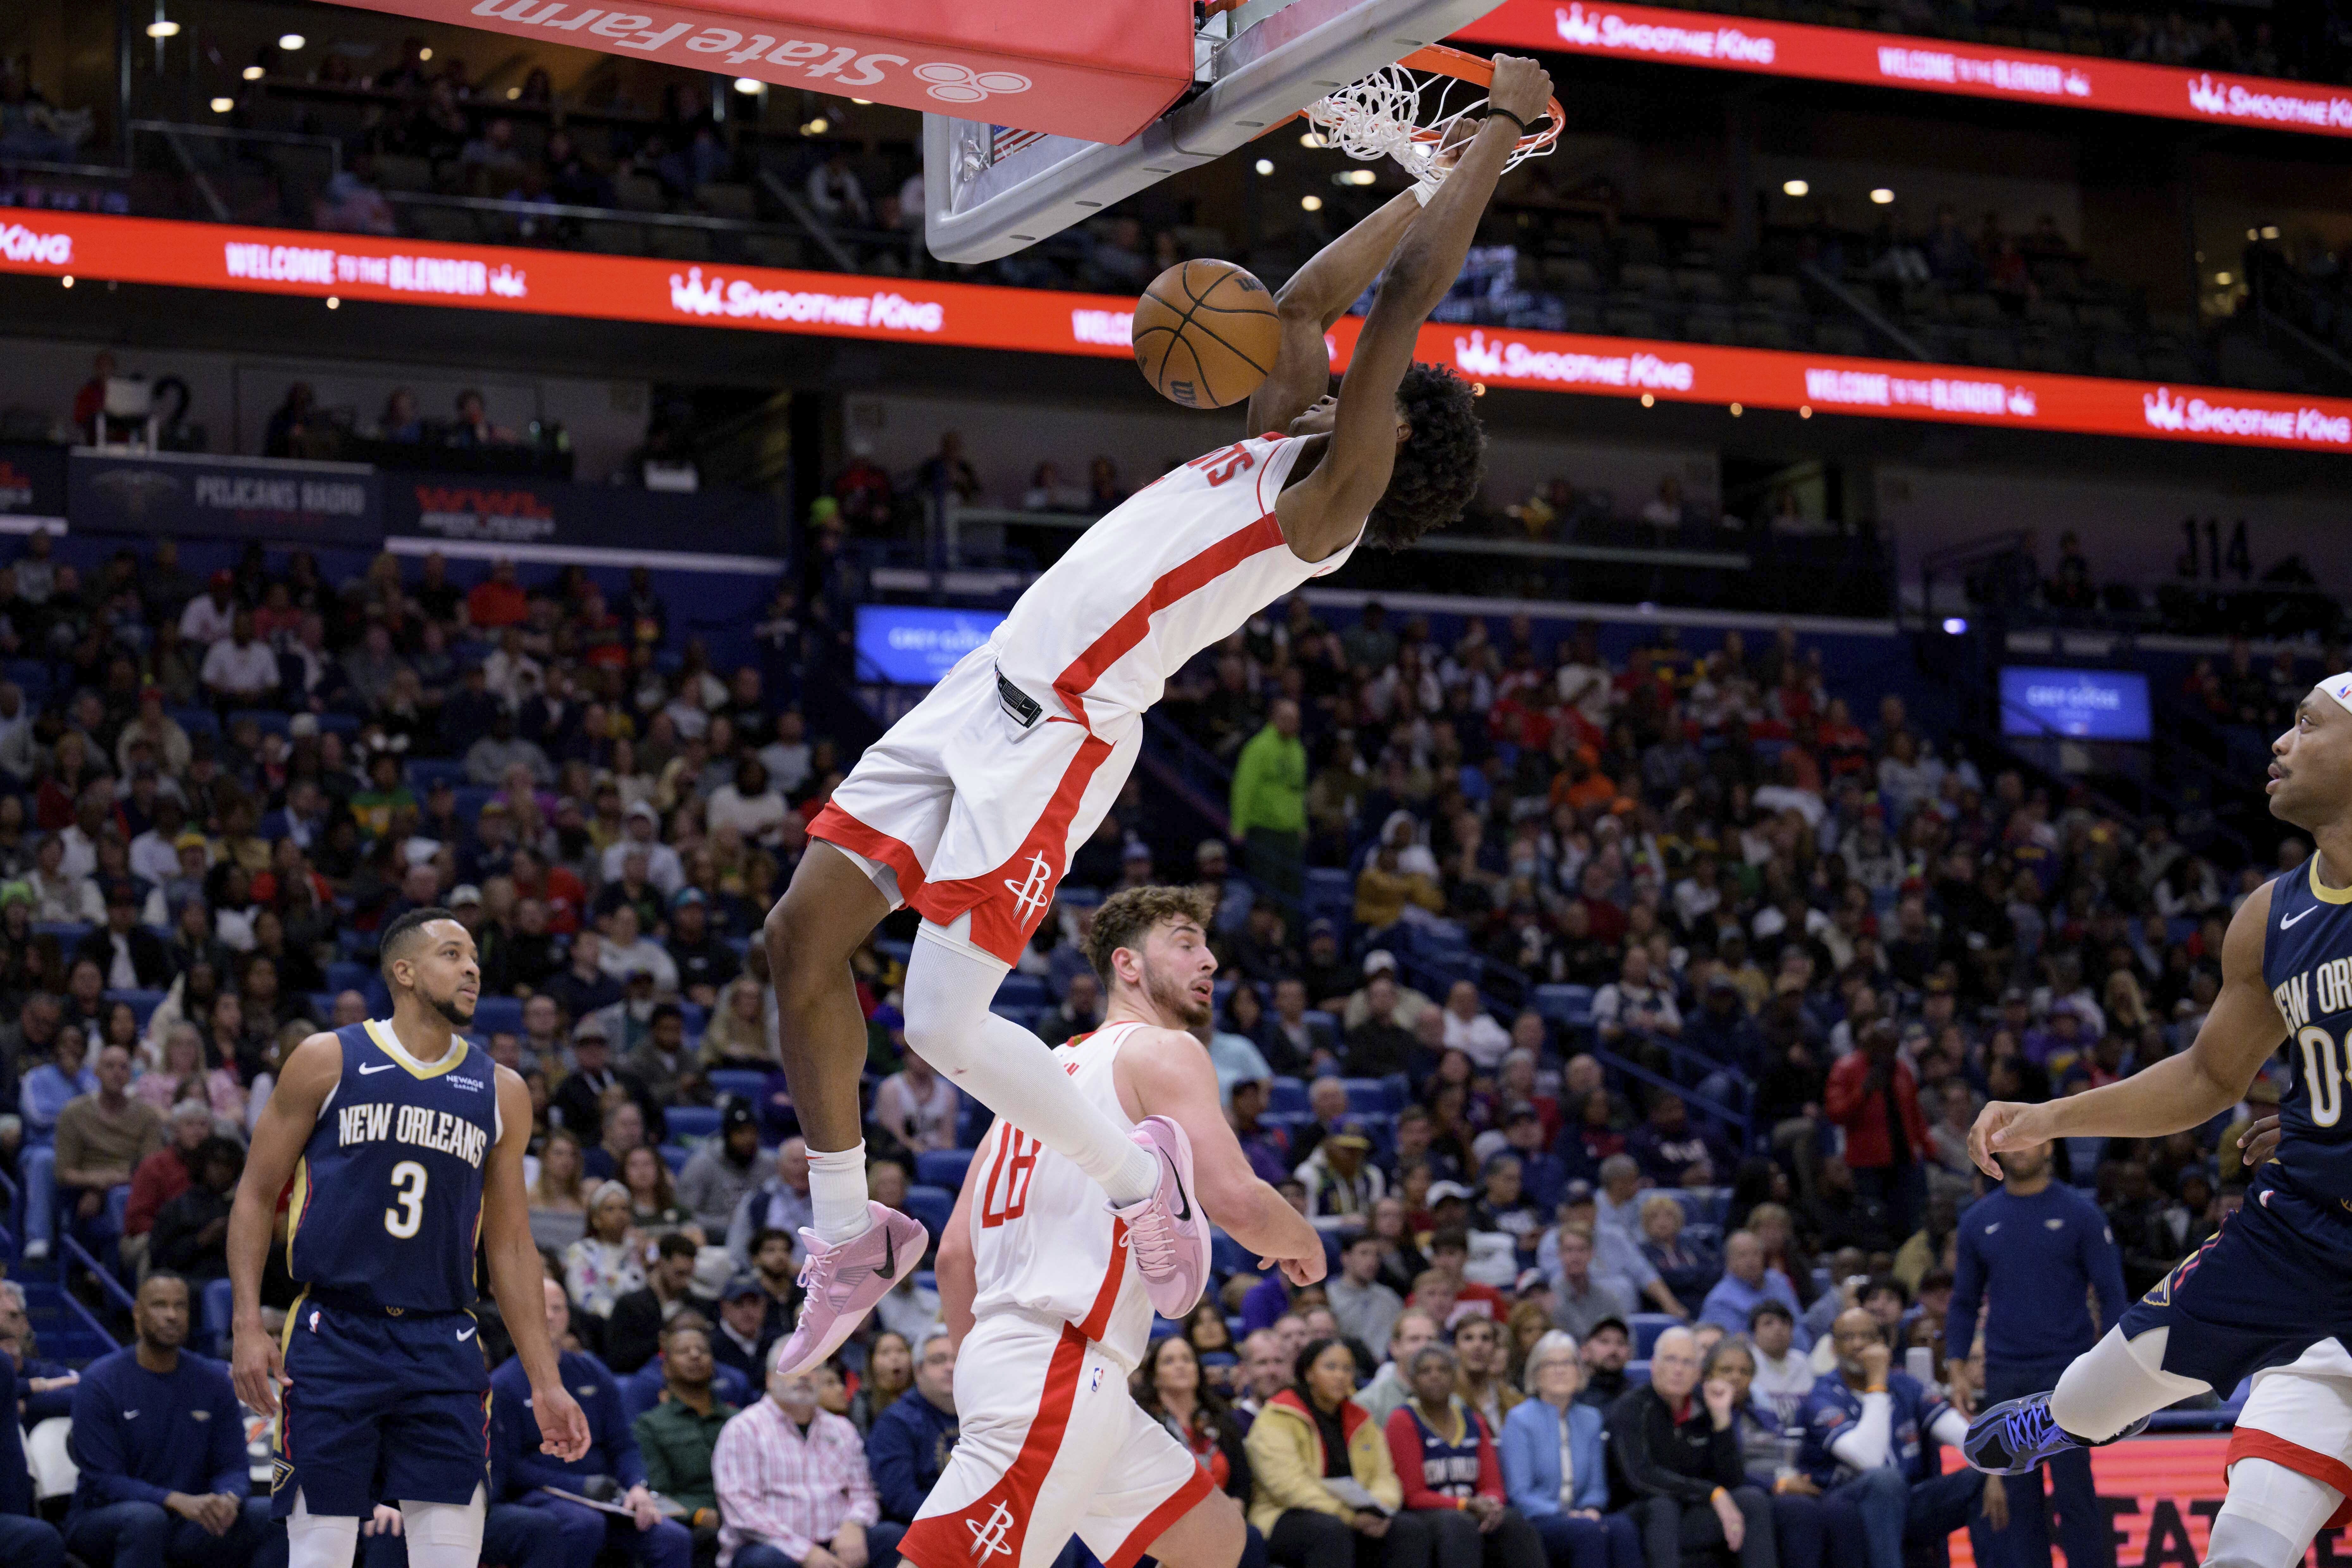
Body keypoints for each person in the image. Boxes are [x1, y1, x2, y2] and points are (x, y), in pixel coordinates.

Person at [760, 52, 1556, 1370]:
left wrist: (1500, 134)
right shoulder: (1280, 427)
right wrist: (1422, 176)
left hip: (1063, 730)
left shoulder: (1328, 501)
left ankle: (1143, 1189)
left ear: (1391, 439)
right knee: (796, 942)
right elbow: (1302, 303)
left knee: (942, 1024)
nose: (1331, 384)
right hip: (978, 689)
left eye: (1363, 396)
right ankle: (850, 1232)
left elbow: (1408, 299)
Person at [1961, 674, 2352, 1564]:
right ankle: (2065, 1420)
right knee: (2094, 1400)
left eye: (2305, 723)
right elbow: (2210, 1075)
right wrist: (2050, 1117)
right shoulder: (2272, 915)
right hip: (2296, 1238)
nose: (2279, 744)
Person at [905, 884, 1327, 1568]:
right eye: (1186, 943)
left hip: (1031, 1362)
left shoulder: (1034, 1077)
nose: (1210, 961)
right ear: (1127, 965)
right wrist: (1306, 1241)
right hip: (1057, 1365)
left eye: (1207, 946)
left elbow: (956, 1256)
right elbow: (1238, 1202)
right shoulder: (1162, 1050)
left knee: (1213, 1542)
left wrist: (985, 1378)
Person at [223, 907, 591, 1568]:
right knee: (319, 1556)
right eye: (452, 954)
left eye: (474, 957)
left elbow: (511, 1244)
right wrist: (247, 1322)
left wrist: (546, 1380)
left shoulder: (501, 1091)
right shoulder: (327, 1059)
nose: (472, 969)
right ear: (404, 971)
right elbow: (253, 1195)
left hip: (442, 1340)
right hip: (334, 1332)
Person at [1944, 1138, 2122, 1568]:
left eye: (2030, 1139)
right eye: (2010, 1141)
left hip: (2069, 1371)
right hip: (2005, 1372)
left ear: (2049, 1148)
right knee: (2018, 1502)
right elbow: (1963, 1302)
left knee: (2075, 1494)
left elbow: (2112, 1294)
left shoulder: (2080, 1213)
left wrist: (2116, 1365)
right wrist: (1956, 1369)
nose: (2020, 1148)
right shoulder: (1978, 1220)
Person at [64, 1272, 269, 1568]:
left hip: (190, 1517)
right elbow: (104, 1480)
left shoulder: (214, 1381)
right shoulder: (100, 1382)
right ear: (138, 1314)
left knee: (270, 1515)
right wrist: (173, 1499)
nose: (172, 1315)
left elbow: (233, 1465)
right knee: (146, 1519)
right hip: (105, 1516)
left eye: (180, 1306)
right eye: (160, 1305)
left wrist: (228, 1497)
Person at [491, 1276, 691, 1568]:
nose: (550, 1315)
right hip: (540, 1495)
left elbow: (623, 1444)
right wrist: (579, 1486)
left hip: (606, 1496)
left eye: (558, 1308)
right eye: (540, 1307)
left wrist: (638, 1486)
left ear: (568, 1315)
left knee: (674, 1537)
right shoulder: (504, 1384)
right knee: (585, 1524)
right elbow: (509, 1467)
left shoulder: (594, 1372)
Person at [1800, 1309, 1990, 1568]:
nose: (1858, 1344)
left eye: (1866, 1336)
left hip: (1908, 1499)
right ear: (1834, 1347)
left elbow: (1967, 1437)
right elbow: (1870, 1459)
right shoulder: (1822, 1395)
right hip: (1848, 1501)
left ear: (1883, 1343)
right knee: (1885, 1480)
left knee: (1986, 1476)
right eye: (1848, 1337)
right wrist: (1877, 1382)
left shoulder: (1905, 1384)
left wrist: (1997, 1461)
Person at [1248, 1338, 1430, 1568]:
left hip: (1357, 1513)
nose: (1341, 1376)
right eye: (1331, 1367)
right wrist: (1349, 1517)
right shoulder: (1278, 1415)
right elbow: (1289, 1486)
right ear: (1309, 1373)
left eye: (1347, 1369)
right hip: (1285, 1513)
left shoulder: (1362, 1419)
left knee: (1409, 1529)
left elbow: (1384, 1475)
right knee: (1330, 1532)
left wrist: (1380, 1508)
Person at [1602, 1326, 1771, 1568]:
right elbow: (1641, 1477)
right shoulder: (1631, 1407)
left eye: (1688, 1362)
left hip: (1690, 1512)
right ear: (1654, 1365)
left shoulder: (1705, 1407)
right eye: (1671, 1360)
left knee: (1751, 1499)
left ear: (1699, 1373)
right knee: (1663, 1506)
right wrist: (1712, 1493)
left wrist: (1722, 1419)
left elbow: (1732, 1481)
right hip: (1639, 1513)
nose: (1679, 1369)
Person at [710, 1349, 892, 1568]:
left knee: (893, 1538)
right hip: (772, 1546)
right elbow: (741, 1506)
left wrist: (854, 1523)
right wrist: (806, 1552)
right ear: (770, 1379)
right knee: (766, 1562)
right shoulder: (744, 1429)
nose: (804, 1375)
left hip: (837, 1539)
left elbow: (863, 1492)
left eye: (813, 1368)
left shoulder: (842, 1429)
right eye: (793, 1367)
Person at [1384, 1342, 1545, 1568]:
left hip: (1472, 1509)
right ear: (1412, 1381)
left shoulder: (1474, 1420)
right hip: (1426, 1514)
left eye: (1443, 1370)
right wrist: (1465, 1504)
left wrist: (1490, 1505)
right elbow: (1413, 1495)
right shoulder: (1402, 1420)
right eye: (1425, 1371)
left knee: (1512, 1521)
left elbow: (1493, 1485)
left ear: (1454, 1377)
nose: (1435, 1376)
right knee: (1458, 1524)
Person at [1498, 1332, 1637, 1568]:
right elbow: (1520, 1494)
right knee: (1587, 1532)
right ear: (1536, 1374)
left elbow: (1596, 1487)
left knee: (1622, 1527)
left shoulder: (1591, 1419)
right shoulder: (1519, 1420)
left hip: (1581, 1517)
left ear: (1579, 1371)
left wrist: (1591, 1509)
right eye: (1551, 1364)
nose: (1560, 1370)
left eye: (1567, 1363)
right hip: (1537, 1520)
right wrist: (1565, 1513)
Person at [633, 1320, 735, 1541]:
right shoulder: (650, 1425)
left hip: (746, 1513)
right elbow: (658, 1493)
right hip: (696, 1524)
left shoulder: (739, 1420)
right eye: (683, 1351)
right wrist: (696, 1514)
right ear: (666, 1368)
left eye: (703, 1350)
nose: (695, 1355)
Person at [867, 1328, 960, 1526]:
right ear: (918, 1371)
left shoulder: (982, 1412)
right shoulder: (896, 1422)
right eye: (938, 1361)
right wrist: (961, 1518)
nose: (950, 1367)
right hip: (925, 1527)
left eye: (957, 1359)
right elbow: (902, 1500)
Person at [1328, 1234, 1406, 1361]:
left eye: (1377, 1255)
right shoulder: (1329, 1296)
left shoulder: (1390, 1299)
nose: (1372, 1261)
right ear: (1346, 1258)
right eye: (1364, 1253)